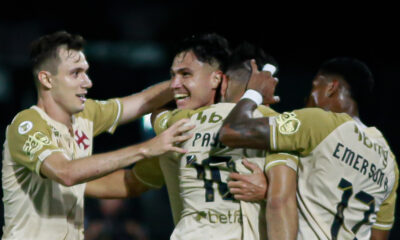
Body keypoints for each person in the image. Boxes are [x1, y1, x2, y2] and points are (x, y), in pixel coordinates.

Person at [1, 31, 193, 240]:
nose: (88, 82)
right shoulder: (26, 125)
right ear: (47, 79)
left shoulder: (86, 115)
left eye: (86, 72)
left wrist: (188, 79)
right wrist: (146, 148)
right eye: (76, 73)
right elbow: (66, 173)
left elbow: (143, 102)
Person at [134, 36, 298, 240]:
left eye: (185, 74)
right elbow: (289, 201)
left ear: (222, 80)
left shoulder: (180, 121)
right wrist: (269, 190)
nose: (175, 84)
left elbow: (155, 111)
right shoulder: (275, 125)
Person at [219, 57, 398, 240]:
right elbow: (378, 237)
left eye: (314, 87)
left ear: (331, 87)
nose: (307, 98)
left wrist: (254, 92)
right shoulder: (389, 161)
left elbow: (231, 131)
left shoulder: (320, 122)